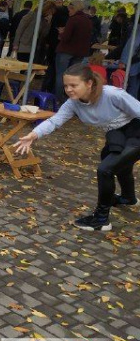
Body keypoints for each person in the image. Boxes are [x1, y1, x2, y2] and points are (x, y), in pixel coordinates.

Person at [15, 64, 140, 231]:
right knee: (115, 162)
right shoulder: (73, 103)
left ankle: (101, 220)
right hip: (116, 133)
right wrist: (34, 134)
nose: (69, 89)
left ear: (89, 83)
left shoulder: (111, 94)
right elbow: (54, 121)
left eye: (74, 85)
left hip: (136, 131)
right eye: (66, 85)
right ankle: (128, 198)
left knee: (106, 169)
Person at [55, 0, 93, 102]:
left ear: (73, 8)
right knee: (73, 76)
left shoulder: (73, 19)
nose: (68, 12)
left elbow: (66, 37)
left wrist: (61, 33)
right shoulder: (88, 20)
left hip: (66, 50)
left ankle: (58, 98)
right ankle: (70, 99)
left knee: (61, 75)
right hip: (80, 52)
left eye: (69, 10)